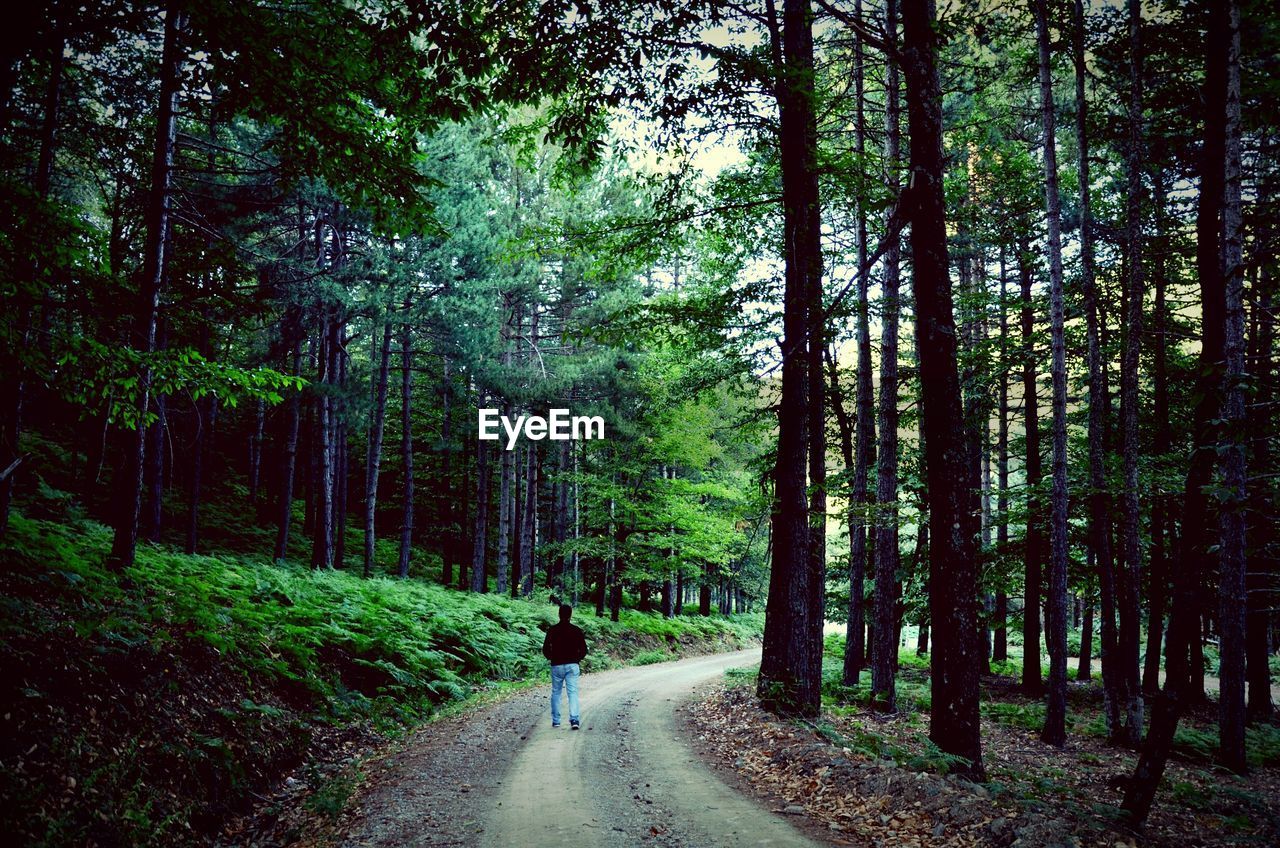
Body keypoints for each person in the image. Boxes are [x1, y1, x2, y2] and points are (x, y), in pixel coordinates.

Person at [542, 603, 588, 729]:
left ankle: (556, 721)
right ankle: (574, 720)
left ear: (559, 614)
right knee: (572, 692)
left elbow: (545, 649)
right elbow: (584, 649)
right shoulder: (576, 630)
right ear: (570, 615)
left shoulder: (552, 630)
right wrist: (577, 659)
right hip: (572, 665)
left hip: (556, 665)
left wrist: (551, 658)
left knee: (556, 692)